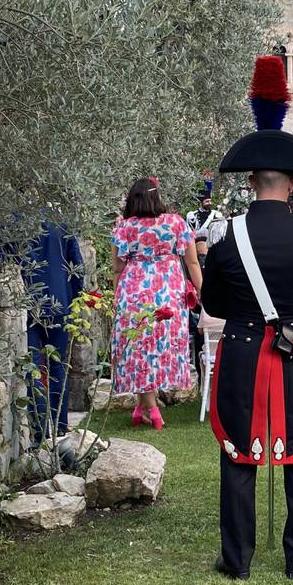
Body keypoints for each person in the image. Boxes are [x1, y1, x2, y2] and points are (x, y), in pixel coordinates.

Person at [202, 56, 293, 581]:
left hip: (239, 350)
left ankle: (236, 559)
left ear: (252, 181)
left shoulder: (224, 235)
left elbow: (213, 303)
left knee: (239, 454)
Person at [111, 177, 201, 430]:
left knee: (139, 349)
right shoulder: (175, 223)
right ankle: (151, 408)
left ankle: (144, 407)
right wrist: (203, 291)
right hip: (168, 291)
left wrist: (117, 298)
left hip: (134, 291)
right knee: (158, 348)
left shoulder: (125, 227)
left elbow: (117, 268)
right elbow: (192, 262)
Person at [1, 218, 85, 442]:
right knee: (58, 366)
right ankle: (61, 426)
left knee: (32, 366)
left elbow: (3, 260)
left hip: (26, 303)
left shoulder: (10, 221)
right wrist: (76, 297)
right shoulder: (60, 221)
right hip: (59, 300)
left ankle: (39, 431)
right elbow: (76, 264)